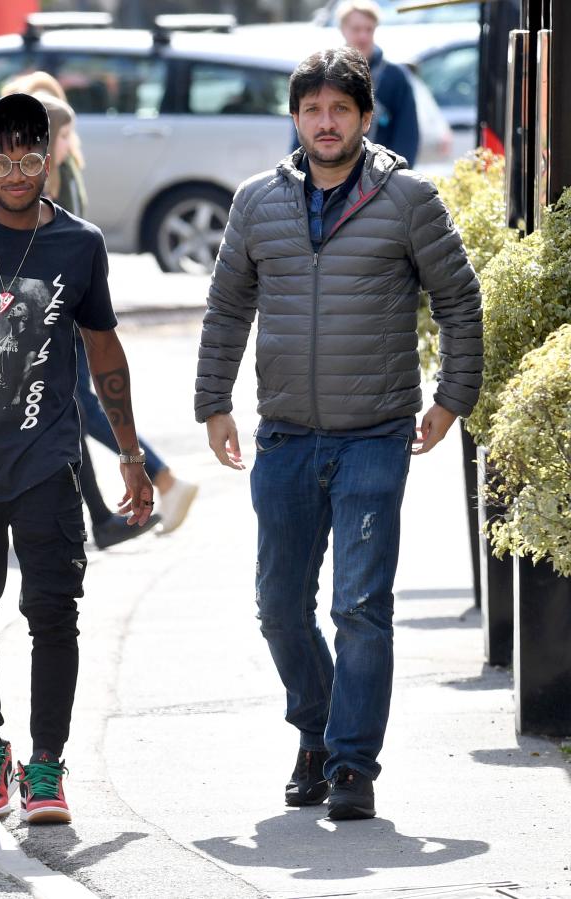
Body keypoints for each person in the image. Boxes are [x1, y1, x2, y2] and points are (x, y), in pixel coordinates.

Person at [195, 48, 481, 820]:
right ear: (295, 118)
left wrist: (453, 398)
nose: (326, 123)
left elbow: (459, 300)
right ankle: (315, 731)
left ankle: (352, 763)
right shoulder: (257, 202)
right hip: (285, 437)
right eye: (313, 110)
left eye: (340, 110)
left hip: (374, 437)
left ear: (365, 116)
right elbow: (227, 309)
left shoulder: (409, 199)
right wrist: (213, 402)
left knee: (360, 605)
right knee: (279, 607)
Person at [0, 93, 153, 825]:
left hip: (47, 462)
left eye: (31, 157)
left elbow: (104, 349)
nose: (17, 172)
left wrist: (131, 454)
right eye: (3, 159)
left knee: (53, 611)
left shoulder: (80, 244)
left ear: (53, 158)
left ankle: (46, 765)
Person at [5, 75, 200, 538]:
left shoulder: (49, 178)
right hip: (60, 304)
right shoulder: (60, 169)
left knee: (78, 406)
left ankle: (161, 480)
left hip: (54, 307)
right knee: (69, 408)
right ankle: (104, 515)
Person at [290, 0, 419, 166]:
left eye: (369, 29)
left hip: (380, 174)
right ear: (343, 29)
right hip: (329, 172)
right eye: (356, 29)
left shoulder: (395, 77)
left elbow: (407, 133)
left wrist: (399, 174)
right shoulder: (322, 74)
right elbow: (303, 130)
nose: (363, 36)